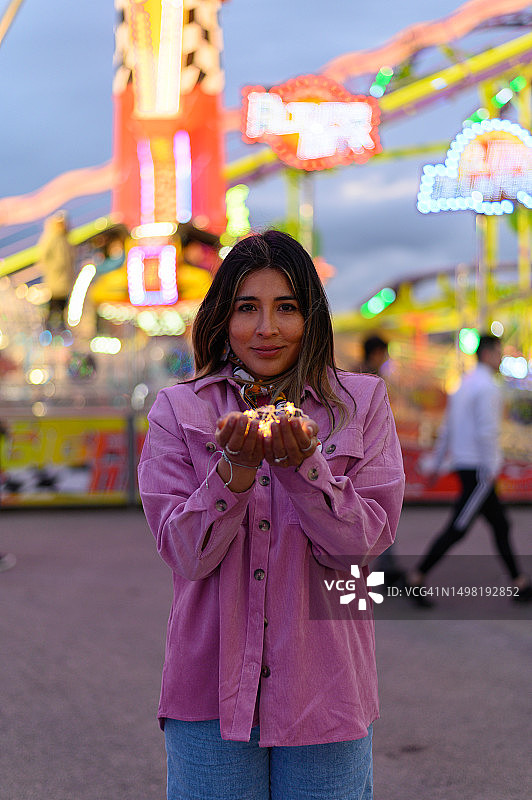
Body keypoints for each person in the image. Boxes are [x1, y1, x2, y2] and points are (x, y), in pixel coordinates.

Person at [138, 230, 405, 800]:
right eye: (246, 308)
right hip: (207, 691)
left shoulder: (360, 403)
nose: (267, 329)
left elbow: (363, 546)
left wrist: (307, 469)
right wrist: (232, 476)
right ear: (220, 317)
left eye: (286, 307)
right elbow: (185, 554)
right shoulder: (178, 409)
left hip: (326, 686)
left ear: (312, 316)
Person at [408, 334, 532, 606]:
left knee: (501, 524)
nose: (501, 358)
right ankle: (417, 576)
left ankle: (518, 582)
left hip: (470, 467)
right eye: (499, 352)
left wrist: (438, 464)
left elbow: (448, 429)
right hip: (480, 471)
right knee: (459, 527)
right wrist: (493, 467)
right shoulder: (487, 387)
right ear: (487, 354)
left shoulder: (464, 384)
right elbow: (488, 431)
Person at [38, 211, 74, 331]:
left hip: (65, 280)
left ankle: (60, 331)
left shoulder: (65, 238)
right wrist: (54, 268)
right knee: (53, 306)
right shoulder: (51, 237)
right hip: (56, 279)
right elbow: (43, 256)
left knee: (63, 307)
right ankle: (49, 332)